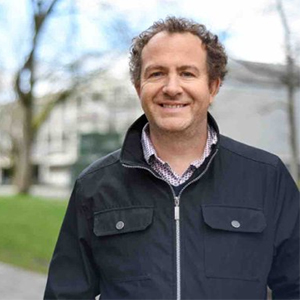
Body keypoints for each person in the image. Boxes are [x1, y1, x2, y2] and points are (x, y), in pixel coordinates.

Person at [44, 17, 299, 299]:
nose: (172, 87)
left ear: (213, 86)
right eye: (156, 73)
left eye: (187, 73)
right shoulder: (94, 186)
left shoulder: (266, 176)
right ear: (138, 87)